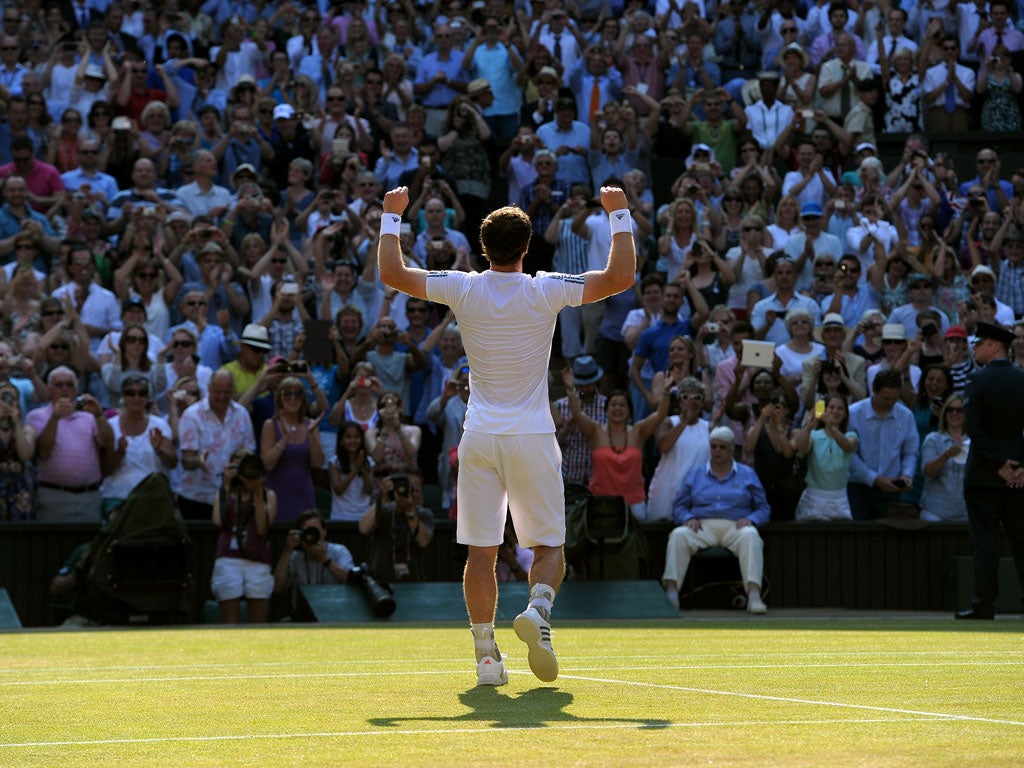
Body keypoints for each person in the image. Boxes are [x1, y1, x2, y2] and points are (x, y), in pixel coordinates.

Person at [377, 184, 635, 685]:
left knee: (481, 552)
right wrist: (618, 214)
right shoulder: (545, 288)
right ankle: (538, 610)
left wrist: (391, 217)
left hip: (480, 437)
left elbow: (391, 272)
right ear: (527, 246)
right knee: (548, 546)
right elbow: (621, 276)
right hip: (532, 436)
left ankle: (486, 657)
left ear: (482, 246)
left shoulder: (463, 287)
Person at [662, 426, 771, 614]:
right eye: (713, 447)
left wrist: (752, 519)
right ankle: (672, 594)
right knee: (678, 535)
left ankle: (754, 596)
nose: (717, 451)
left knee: (751, 535)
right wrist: (688, 518)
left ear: (731, 449)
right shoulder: (695, 474)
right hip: (702, 526)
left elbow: (763, 508)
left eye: (722, 447)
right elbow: (679, 506)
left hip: (735, 526)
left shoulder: (747, 474)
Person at [958, 321, 1024, 619]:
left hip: (985, 475)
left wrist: (998, 464)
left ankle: (984, 603)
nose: (975, 348)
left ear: (994, 346)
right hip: (1019, 476)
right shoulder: (1022, 379)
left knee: (985, 541)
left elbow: (973, 428)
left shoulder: (978, 380)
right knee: (1021, 539)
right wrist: (1019, 466)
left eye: (980, 343)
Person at [27, 366, 114, 522]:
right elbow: (43, 452)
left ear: (77, 387)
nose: (65, 389)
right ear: (49, 389)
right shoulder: (36, 416)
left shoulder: (89, 416)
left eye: (69, 384)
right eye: (59, 385)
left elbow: (108, 445)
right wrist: (54, 418)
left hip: (89, 496)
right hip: (53, 496)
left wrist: (100, 415)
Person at [177, 369, 256, 521]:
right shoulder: (192, 415)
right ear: (209, 388)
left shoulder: (241, 414)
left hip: (233, 497)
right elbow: (186, 460)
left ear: (233, 391)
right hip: (197, 498)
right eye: (217, 391)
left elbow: (249, 452)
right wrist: (198, 461)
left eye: (226, 392)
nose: (221, 397)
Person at [211, 448, 276, 624]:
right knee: (229, 622)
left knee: (258, 624)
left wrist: (256, 491)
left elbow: (262, 529)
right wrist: (226, 486)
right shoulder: (224, 492)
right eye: (238, 463)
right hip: (228, 558)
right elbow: (218, 521)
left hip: (258, 559)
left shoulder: (268, 495)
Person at [100, 375, 177, 520]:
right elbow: (105, 470)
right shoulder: (110, 426)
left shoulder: (160, 425)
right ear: (123, 396)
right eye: (131, 393)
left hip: (153, 499)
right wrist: (120, 453)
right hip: (118, 498)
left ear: (147, 397)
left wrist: (159, 450)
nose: (136, 398)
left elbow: (172, 463)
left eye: (141, 393)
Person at [846, 368, 919, 520]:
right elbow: (849, 455)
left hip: (892, 489)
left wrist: (907, 475)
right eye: (886, 398)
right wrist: (874, 479)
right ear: (874, 391)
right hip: (858, 488)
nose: (890, 403)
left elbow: (910, 452)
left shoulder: (905, 416)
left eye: (894, 398)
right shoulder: (853, 413)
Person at [259, 375, 325, 523]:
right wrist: (284, 439)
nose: (292, 398)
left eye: (297, 394)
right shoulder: (270, 425)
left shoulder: (311, 425)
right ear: (279, 398)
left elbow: (317, 464)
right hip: (277, 494)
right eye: (287, 393)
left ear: (303, 400)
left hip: (303, 494)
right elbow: (267, 465)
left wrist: (310, 435)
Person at [645, 376, 711, 523]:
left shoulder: (709, 427)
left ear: (702, 402)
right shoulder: (668, 422)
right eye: (686, 397)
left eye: (697, 397)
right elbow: (663, 447)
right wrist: (684, 422)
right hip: (667, 490)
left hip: (697, 493)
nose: (691, 401)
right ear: (679, 401)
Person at [273, 509, 357, 619]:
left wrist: (325, 559)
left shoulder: (339, 551)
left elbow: (350, 580)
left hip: (335, 614)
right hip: (302, 616)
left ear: (324, 531)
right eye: (307, 531)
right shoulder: (295, 556)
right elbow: (277, 587)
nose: (312, 536)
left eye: (315, 531)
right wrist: (287, 551)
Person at [358, 471, 435, 582]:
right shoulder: (384, 511)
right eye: (405, 487)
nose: (410, 493)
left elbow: (423, 541)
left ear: (421, 494)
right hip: (382, 582)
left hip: (414, 584)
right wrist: (384, 496)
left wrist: (409, 510)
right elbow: (363, 528)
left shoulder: (424, 514)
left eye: (415, 490)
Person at [792, 394, 858, 521]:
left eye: (840, 408)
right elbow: (802, 449)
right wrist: (809, 425)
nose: (835, 411)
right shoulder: (814, 435)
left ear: (845, 414)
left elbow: (848, 446)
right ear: (824, 410)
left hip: (840, 499)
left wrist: (831, 427)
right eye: (831, 407)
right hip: (813, 498)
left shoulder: (851, 434)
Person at [920, 395, 969, 523]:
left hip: (966, 513)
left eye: (959, 410)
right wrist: (946, 455)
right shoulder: (933, 439)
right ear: (944, 413)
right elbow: (928, 472)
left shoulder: (975, 442)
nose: (954, 413)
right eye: (950, 409)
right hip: (935, 513)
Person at [0, 380, 34, 520]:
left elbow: (25, 455)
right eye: (3, 397)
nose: (8, 402)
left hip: (17, 488)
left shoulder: (26, 429)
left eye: (12, 399)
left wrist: (16, 424)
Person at [328, 420, 374, 521]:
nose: (353, 441)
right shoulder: (334, 462)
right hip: (340, 516)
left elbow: (369, 491)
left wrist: (362, 469)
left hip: (363, 516)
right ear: (341, 441)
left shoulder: (369, 462)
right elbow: (338, 490)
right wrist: (355, 470)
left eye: (357, 437)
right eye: (348, 437)